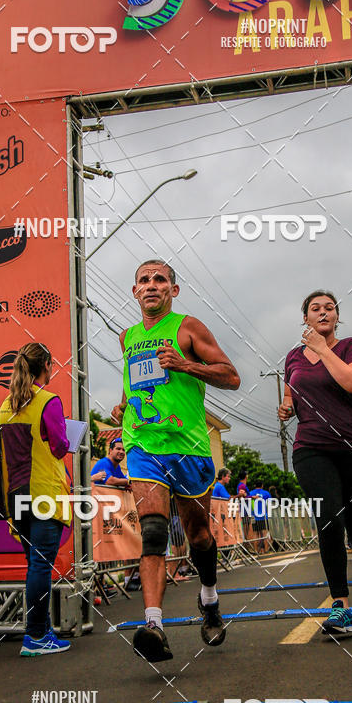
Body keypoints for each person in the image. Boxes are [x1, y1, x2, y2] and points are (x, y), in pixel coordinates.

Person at [111, 259, 240, 662]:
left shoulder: (189, 327)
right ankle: (154, 626)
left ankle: (210, 598)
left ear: (173, 290)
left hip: (188, 447)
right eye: (143, 280)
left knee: (198, 536)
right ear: (135, 291)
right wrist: (123, 408)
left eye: (160, 279)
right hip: (143, 444)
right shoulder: (126, 336)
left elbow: (231, 376)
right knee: (152, 530)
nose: (151, 285)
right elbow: (140, 382)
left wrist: (185, 364)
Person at [279, 290, 352, 634]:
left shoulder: (351, 347)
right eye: (316, 308)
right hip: (311, 447)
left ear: (337, 317)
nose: (323, 312)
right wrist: (285, 410)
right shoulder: (293, 357)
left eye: (330, 308)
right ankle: (339, 605)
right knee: (328, 518)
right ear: (305, 318)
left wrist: (323, 349)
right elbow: (290, 399)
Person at [0, 343, 73, 656]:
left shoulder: (6, 405)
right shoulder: (47, 401)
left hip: (16, 495)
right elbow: (59, 446)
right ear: (47, 366)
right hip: (44, 493)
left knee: (34, 566)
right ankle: (36, 635)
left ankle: (42, 631)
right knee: (41, 567)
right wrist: (66, 438)